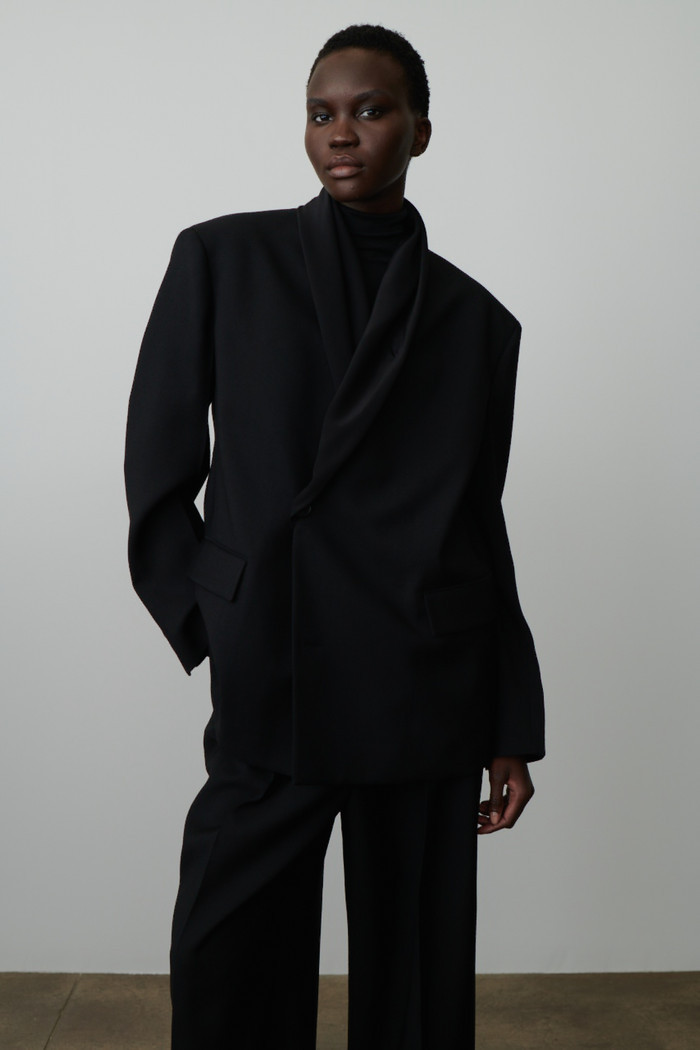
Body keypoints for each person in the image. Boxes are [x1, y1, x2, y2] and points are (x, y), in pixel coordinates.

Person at [124, 23, 544, 1050]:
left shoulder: (477, 323)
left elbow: (477, 521)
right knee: (229, 954)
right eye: (321, 113)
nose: (341, 132)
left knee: (414, 979)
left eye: (370, 110)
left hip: (424, 674)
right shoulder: (225, 258)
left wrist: (508, 717)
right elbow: (158, 463)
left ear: (421, 131)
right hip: (279, 661)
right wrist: (216, 617)